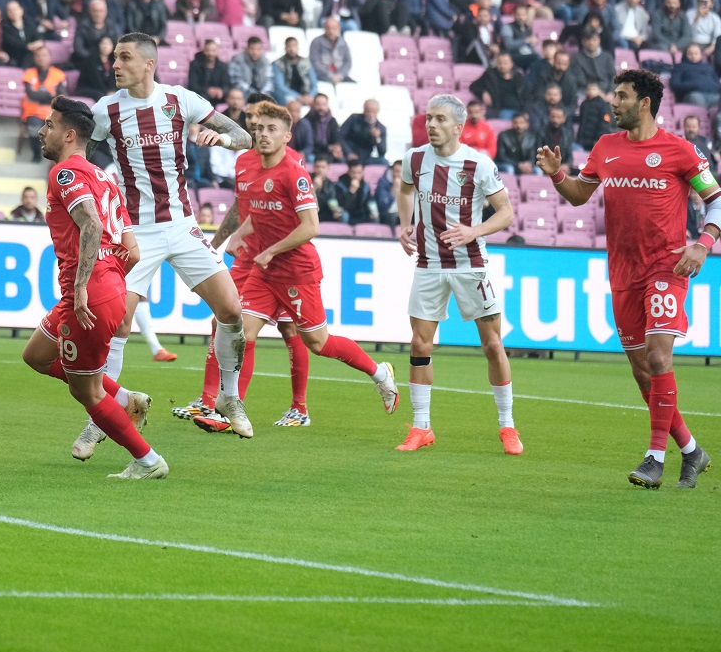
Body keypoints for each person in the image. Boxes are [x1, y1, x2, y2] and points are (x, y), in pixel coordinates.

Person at [537, 70, 715, 488]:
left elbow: (716, 200)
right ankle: (692, 451)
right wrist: (557, 174)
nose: (612, 103)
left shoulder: (679, 150)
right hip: (622, 270)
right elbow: (581, 194)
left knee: (658, 359)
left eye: (621, 96)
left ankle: (655, 459)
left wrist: (703, 244)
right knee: (641, 373)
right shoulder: (606, 146)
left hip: (666, 268)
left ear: (644, 103)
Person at [77, 32, 253, 448]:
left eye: (124, 57)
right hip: (136, 231)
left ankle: (229, 398)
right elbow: (82, 156)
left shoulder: (181, 100)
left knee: (231, 309)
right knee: (118, 323)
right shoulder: (107, 110)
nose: (115, 64)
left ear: (148, 64)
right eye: (113, 57)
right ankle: (106, 416)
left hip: (182, 225)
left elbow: (243, 137)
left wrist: (220, 138)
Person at [193, 101, 399, 436]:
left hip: (296, 271)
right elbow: (255, 212)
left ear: (287, 135)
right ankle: (230, 408)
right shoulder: (246, 166)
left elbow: (310, 227)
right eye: (258, 129)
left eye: (271, 129)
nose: (262, 135)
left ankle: (380, 373)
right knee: (238, 332)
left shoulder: (294, 173)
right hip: (264, 270)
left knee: (318, 342)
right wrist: (233, 237)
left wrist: (270, 250)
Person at [16, 98, 166, 478]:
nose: (41, 131)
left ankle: (148, 461)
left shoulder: (64, 174)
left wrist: (85, 285)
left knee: (87, 393)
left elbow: (92, 226)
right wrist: (110, 280)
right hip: (110, 285)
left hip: (87, 292)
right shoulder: (106, 179)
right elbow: (132, 250)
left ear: (68, 135)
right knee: (36, 355)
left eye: (48, 125)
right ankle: (126, 397)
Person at [396, 93, 520, 453]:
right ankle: (421, 427)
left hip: (470, 264)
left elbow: (506, 213)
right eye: (428, 118)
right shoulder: (414, 159)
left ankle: (507, 426)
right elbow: (405, 189)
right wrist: (405, 225)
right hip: (429, 264)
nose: (431, 125)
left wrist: (474, 231)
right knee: (420, 344)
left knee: (493, 345)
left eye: (438, 120)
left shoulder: (479, 165)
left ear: (457, 127)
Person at [20, 45, 66, 163]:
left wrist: (40, 95)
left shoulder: (58, 74)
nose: (41, 58)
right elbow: (31, 95)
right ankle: (36, 154)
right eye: (38, 56)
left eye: (44, 55)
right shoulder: (29, 73)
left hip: (53, 114)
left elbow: (61, 96)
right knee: (33, 128)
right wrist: (50, 95)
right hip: (33, 112)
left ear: (50, 58)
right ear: (35, 58)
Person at [309, 17, 353, 84]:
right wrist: (330, 75)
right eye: (328, 28)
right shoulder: (316, 42)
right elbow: (315, 62)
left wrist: (340, 75)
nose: (331, 31)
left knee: (353, 85)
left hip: (340, 76)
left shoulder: (343, 43)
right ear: (324, 29)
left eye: (334, 29)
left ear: (339, 29)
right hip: (322, 75)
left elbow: (348, 62)